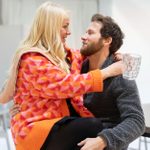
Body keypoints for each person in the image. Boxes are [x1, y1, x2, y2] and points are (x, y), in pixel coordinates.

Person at [0, 2, 125, 150]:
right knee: (93, 127)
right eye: (65, 26)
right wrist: (108, 71)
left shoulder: (63, 54)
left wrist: (112, 55)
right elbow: (66, 85)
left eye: (90, 33)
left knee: (94, 132)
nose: (69, 32)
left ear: (107, 41)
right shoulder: (32, 60)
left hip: (57, 123)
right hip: (35, 130)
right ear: (51, 27)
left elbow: (82, 57)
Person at [77, 14, 145, 150]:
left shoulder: (120, 75)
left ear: (107, 40)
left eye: (90, 33)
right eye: (85, 32)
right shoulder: (78, 68)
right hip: (77, 136)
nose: (83, 37)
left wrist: (103, 140)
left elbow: (137, 122)